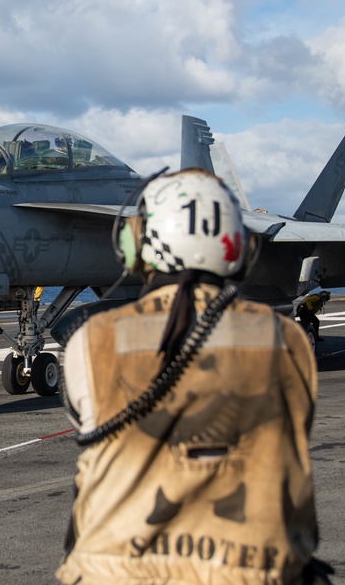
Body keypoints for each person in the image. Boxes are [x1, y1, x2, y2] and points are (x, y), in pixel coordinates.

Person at [58, 169, 327, 584]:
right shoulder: (288, 340)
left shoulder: (90, 342)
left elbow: (88, 425)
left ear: (138, 246)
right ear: (240, 249)